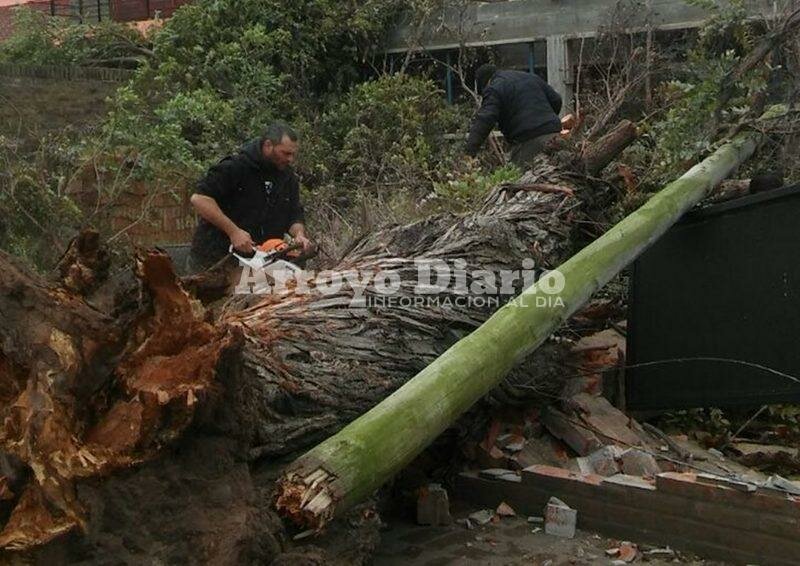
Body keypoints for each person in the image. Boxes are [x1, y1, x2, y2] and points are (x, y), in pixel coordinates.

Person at [189, 121, 312, 270]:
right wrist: (233, 232)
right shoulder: (235, 167)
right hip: (216, 258)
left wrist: (298, 235)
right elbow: (199, 199)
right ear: (268, 145)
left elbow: (294, 214)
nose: (290, 159)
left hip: (261, 261)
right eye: (285, 153)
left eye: (293, 154)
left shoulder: (288, 177)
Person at [465, 63, 563, 168]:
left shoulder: (494, 88)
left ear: (485, 84)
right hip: (554, 135)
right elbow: (556, 100)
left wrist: (470, 152)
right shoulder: (530, 77)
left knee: (523, 180)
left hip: (527, 141)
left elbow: (485, 119)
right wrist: (546, 122)